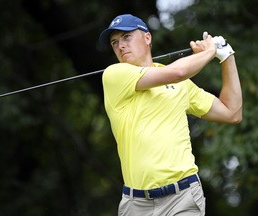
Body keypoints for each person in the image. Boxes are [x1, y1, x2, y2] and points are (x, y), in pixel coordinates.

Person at [98, 14, 242, 216]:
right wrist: (209, 51)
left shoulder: (181, 84)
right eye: (115, 42)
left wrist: (226, 56)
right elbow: (178, 72)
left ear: (147, 38)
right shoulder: (114, 75)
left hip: (183, 198)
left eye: (126, 37)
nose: (120, 46)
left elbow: (232, 113)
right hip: (136, 205)